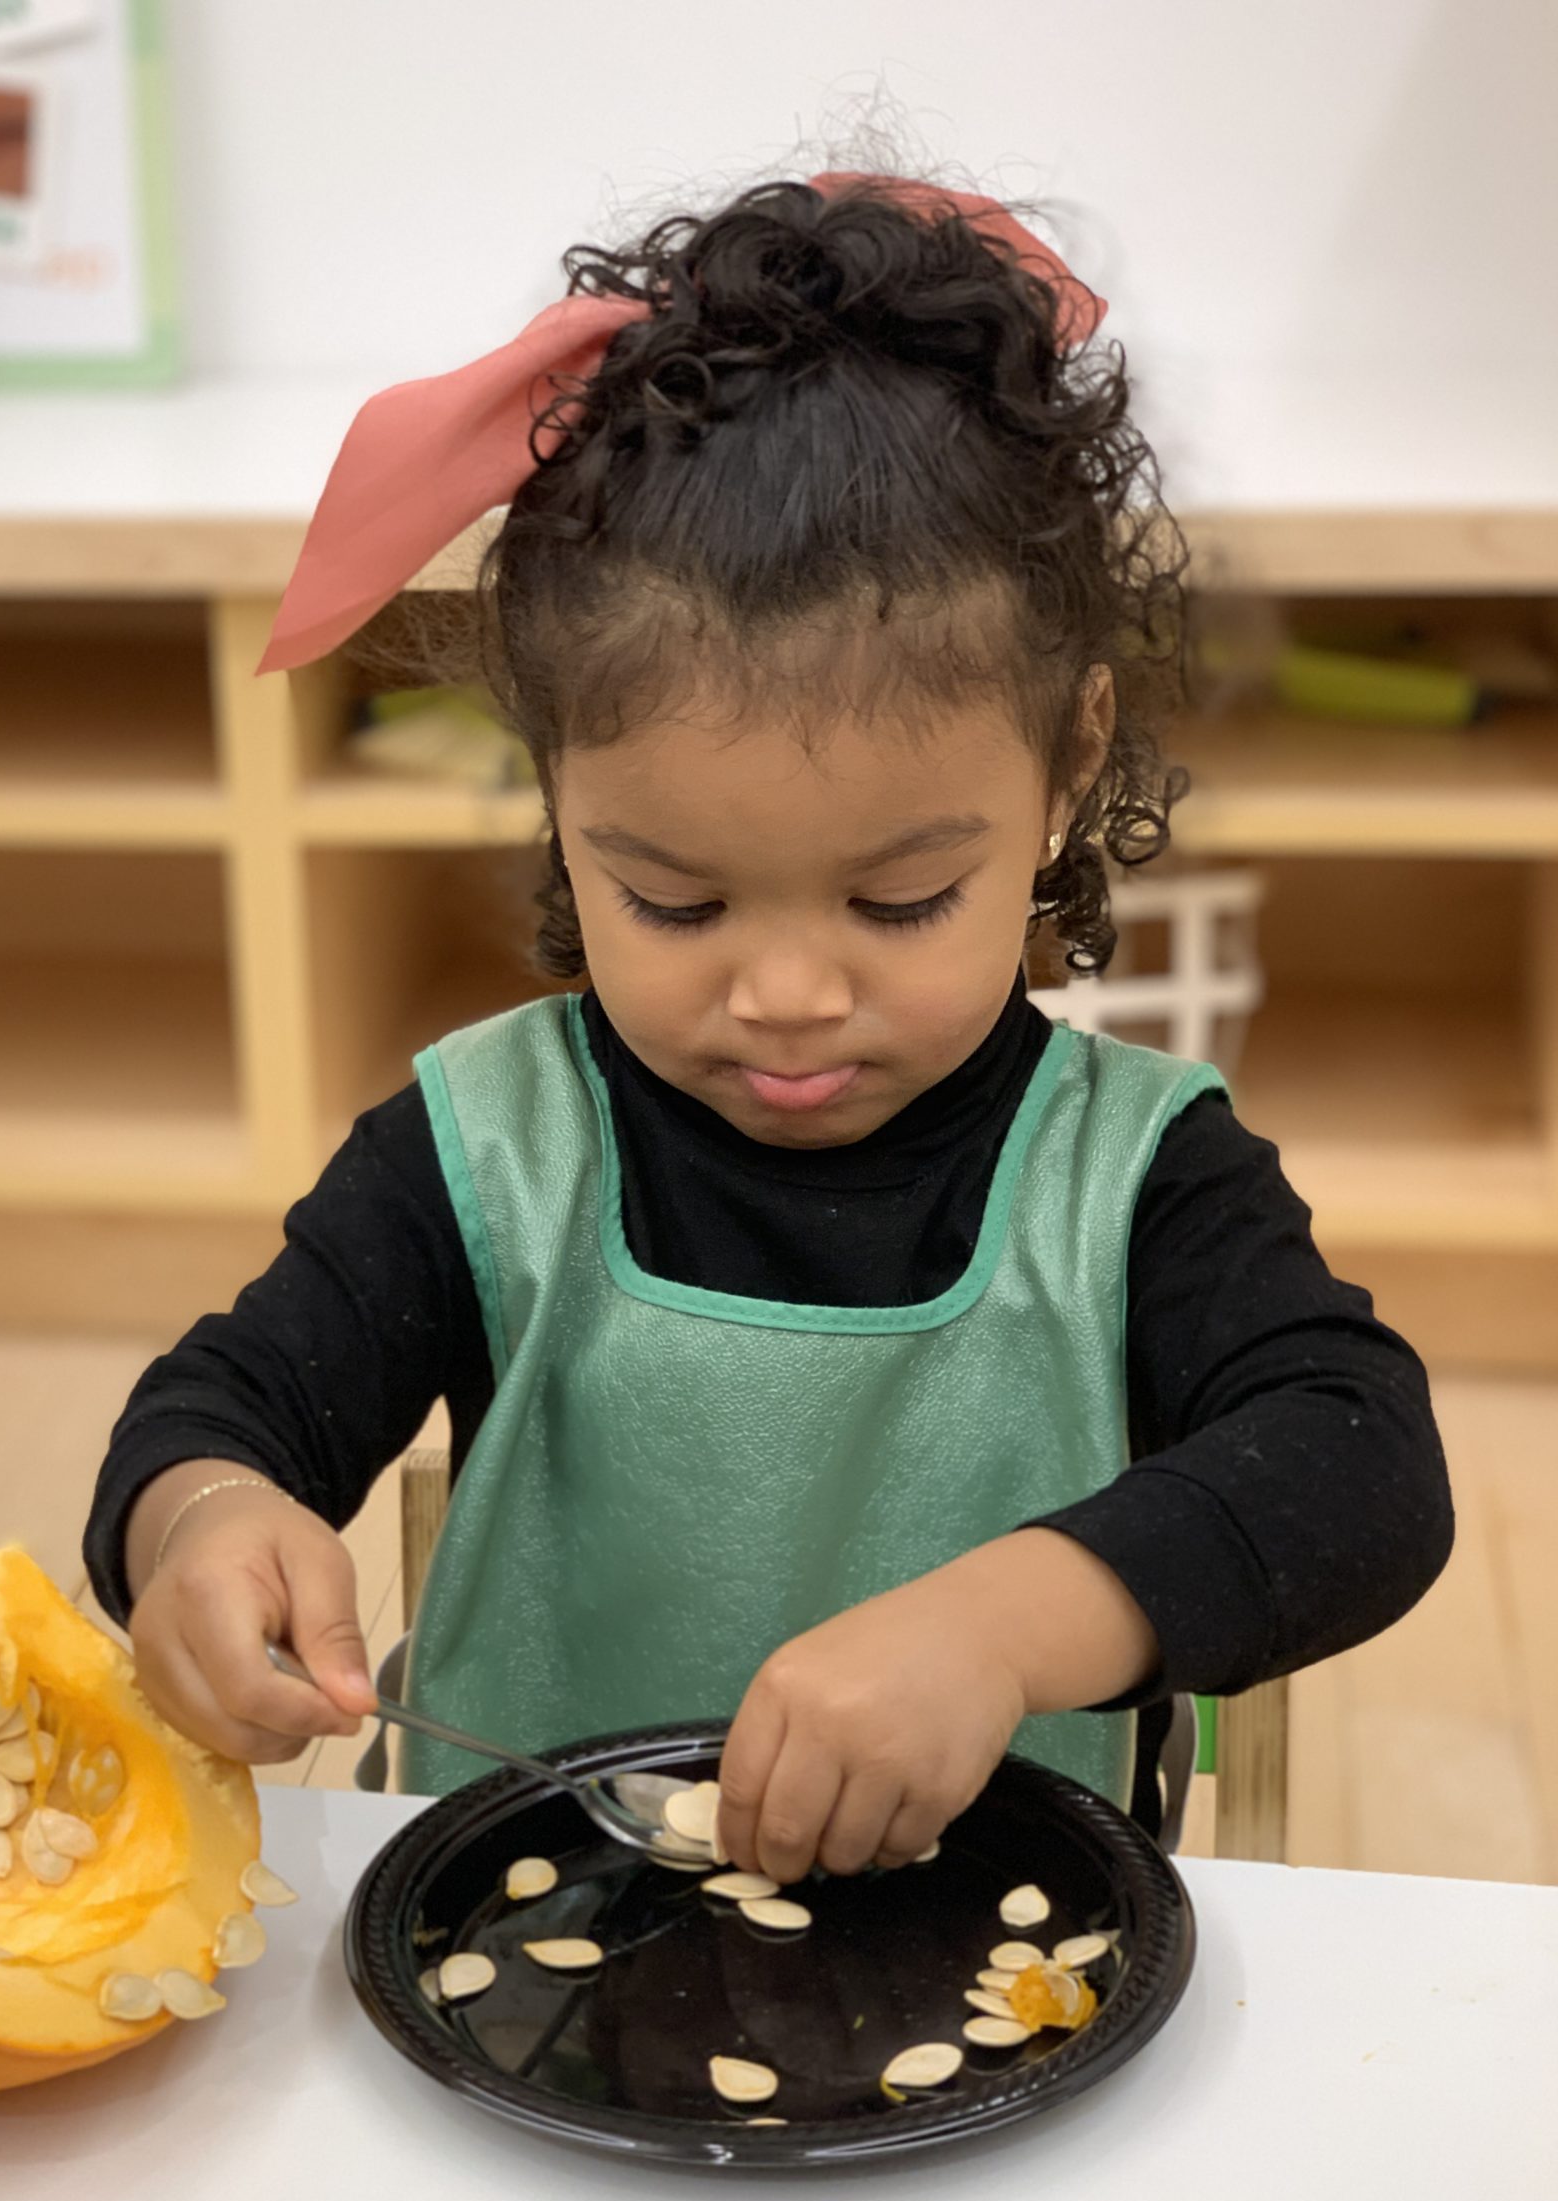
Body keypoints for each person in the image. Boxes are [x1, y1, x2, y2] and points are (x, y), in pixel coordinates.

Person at [83, 168, 1452, 1885]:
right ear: (558, 793)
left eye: (897, 904)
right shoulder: (486, 1145)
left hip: (1013, 1963)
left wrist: (1001, 1628)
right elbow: (224, 1403)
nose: (789, 993)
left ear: (1070, 763)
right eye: (674, 901)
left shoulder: (1138, 1174)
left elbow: (1363, 1468)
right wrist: (206, 1521)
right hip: (525, 1945)